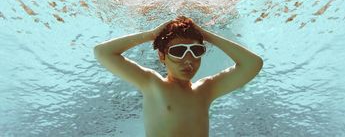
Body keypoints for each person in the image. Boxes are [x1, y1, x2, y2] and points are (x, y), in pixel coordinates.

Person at [94, 15, 263, 137]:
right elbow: (102, 52)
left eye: (196, 51)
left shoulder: (206, 90)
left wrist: (207, 35)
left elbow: (253, 64)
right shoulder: (153, 83)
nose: (188, 60)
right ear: (162, 56)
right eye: (178, 51)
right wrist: (152, 34)